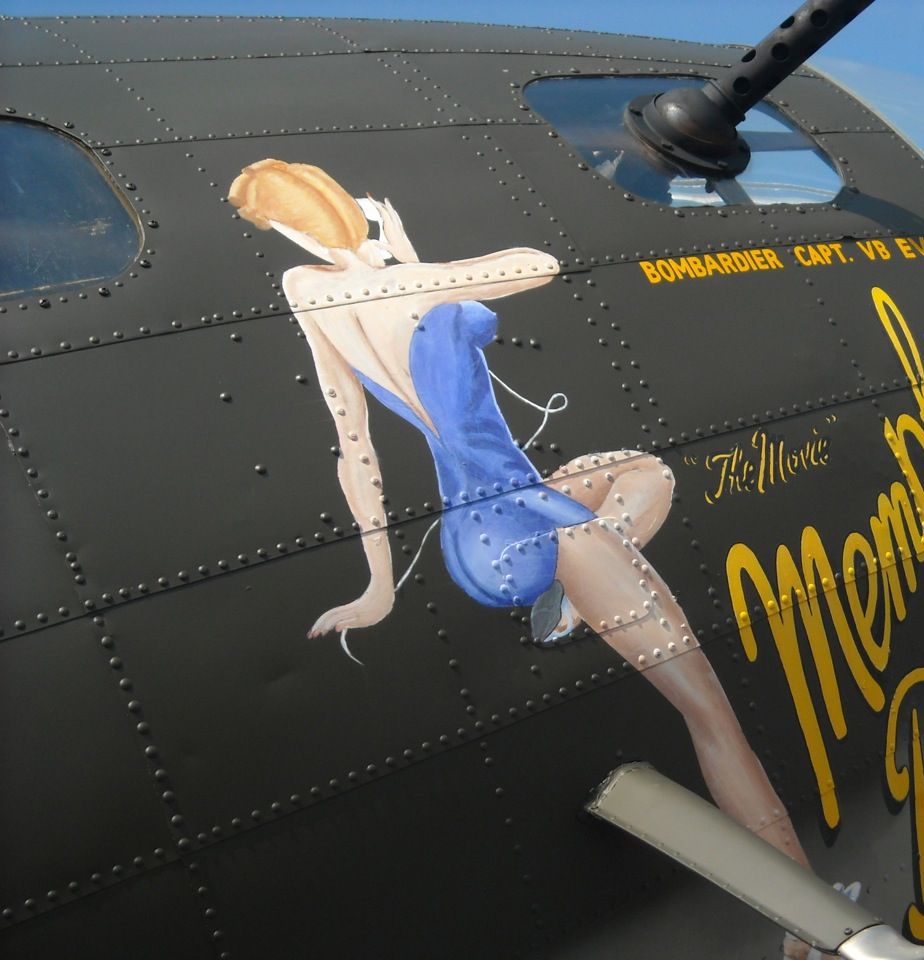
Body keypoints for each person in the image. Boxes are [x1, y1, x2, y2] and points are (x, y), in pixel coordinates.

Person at [230, 159, 822, 958]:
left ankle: (575, 600)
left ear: (290, 229)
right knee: (707, 709)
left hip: (477, 526)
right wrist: (409, 255)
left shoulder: (311, 295)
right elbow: (534, 265)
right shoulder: (415, 282)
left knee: (642, 473)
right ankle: (808, 931)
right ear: (345, 209)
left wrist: (378, 588)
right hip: (525, 521)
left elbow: (354, 450)